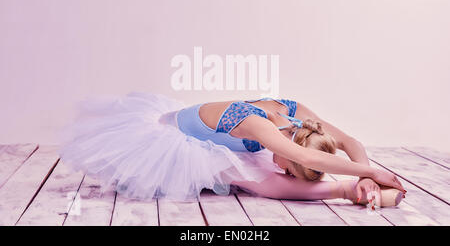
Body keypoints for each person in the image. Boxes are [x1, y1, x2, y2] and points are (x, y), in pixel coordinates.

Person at [59, 92, 406, 207]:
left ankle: (349, 189)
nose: (285, 167)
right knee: (261, 181)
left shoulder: (300, 118)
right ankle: (343, 191)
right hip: (173, 138)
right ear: (290, 151)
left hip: (218, 140)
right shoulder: (260, 126)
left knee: (258, 171)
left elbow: (350, 142)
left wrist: (368, 172)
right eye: (290, 167)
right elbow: (302, 158)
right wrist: (368, 173)